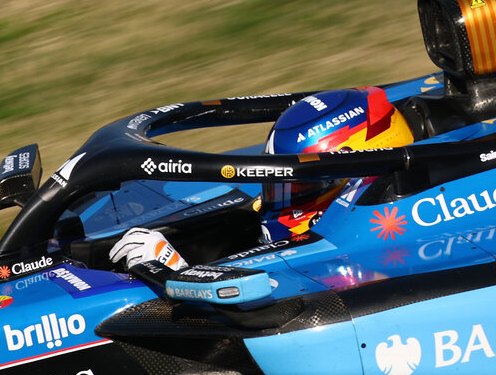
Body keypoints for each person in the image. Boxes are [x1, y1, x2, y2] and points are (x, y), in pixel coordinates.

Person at [109, 86, 416, 272]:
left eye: (301, 186)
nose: (282, 197)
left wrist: (179, 275)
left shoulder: (379, 257)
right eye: (280, 183)